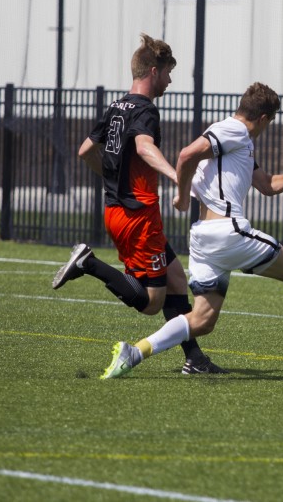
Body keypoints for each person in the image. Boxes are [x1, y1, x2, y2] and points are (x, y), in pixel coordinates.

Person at [99, 82, 283, 379]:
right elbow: (186, 155)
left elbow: (267, 185)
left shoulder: (240, 141)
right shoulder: (234, 130)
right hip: (228, 232)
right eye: (269, 122)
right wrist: (183, 197)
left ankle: (135, 351)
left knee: (202, 320)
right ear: (263, 118)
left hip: (205, 240)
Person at [51, 33, 223, 374]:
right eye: (169, 72)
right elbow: (144, 148)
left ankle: (195, 358)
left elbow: (86, 151)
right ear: (154, 71)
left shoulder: (117, 106)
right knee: (150, 303)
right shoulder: (145, 109)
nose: (170, 80)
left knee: (175, 279)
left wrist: (115, 180)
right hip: (138, 216)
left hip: (120, 209)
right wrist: (178, 177)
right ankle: (89, 263)